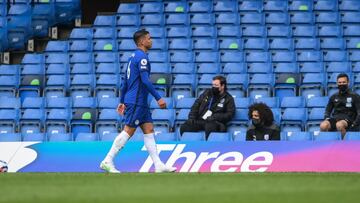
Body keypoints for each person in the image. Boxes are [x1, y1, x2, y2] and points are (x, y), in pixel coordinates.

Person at [100, 29, 176, 173]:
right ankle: (107, 160)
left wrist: (122, 101)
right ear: (142, 41)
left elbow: (124, 83)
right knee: (128, 130)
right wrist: (158, 97)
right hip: (136, 101)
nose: (151, 40)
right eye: (148, 38)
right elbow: (145, 81)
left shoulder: (131, 58)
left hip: (137, 101)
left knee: (149, 129)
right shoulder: (142, 58)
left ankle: (158, 164)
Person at [180, 75, 235, 140]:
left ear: (223, 86)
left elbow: (229, 114)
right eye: (213, 85)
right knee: (185, 126)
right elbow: (196, 104)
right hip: (201, 120)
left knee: (210, 126)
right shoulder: (207, 93)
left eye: (216, 85)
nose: (214, 87)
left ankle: (209, 148)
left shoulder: (228, 98)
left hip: (215, 122)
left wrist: (215, 117)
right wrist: (192, 117)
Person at [320, 73, 360, 139]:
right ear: (337, 83)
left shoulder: (355, 96)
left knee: (339, 125)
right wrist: (326, 117)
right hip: (336, 118)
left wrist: (354, 124)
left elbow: (359, 112)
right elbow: (328, 110)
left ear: (348, 83)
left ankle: (343, 145)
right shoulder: (333, 96)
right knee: (323, 125)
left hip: (349, 119)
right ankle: (326, 146)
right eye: (340, 82)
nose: (342, 84)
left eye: (344, 82)